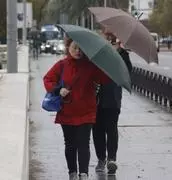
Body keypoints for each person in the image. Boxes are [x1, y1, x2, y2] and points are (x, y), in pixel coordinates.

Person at [43, 37, 110, 180]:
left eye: (81, 49)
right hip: (66, 111)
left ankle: (84, 174)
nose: (78, 51)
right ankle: (72, 172)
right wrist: (57, 89)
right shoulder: (61, 65)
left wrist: (102, 63)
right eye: (75, 48)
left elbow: (104, 79)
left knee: (84, 142)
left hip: (87, 111)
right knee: (70, 143)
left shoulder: (91, 66)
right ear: (68, 47)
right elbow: (48, 79)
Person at [92, 32, 132, 175]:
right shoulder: (95, 55)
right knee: (97, 131)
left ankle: (112, 159)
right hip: (94, 99)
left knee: (111, 129)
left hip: (112, 99)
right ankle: (101, 159)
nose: (110, 44)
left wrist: (122, 52)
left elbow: (128, 72)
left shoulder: (121, 56)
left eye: (113, 42)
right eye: (107, 41)